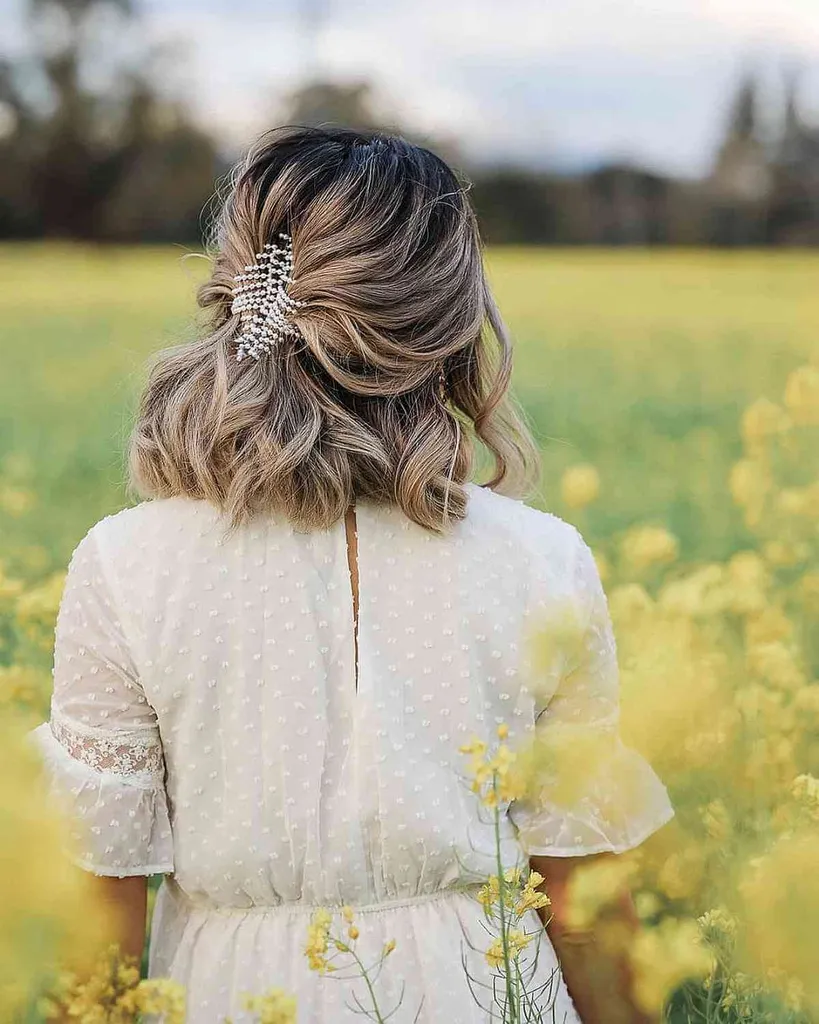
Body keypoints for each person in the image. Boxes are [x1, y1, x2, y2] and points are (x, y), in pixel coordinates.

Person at [31, 126, 674, 1023]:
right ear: (448, 319)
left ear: (242, 290)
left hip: (230, 997)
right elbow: (582, 901)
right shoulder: (541, 559)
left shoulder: (126, 563)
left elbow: (99, 918)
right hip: (490, 994)